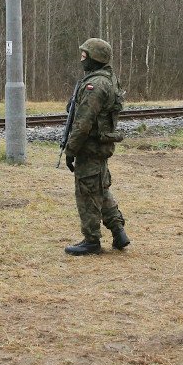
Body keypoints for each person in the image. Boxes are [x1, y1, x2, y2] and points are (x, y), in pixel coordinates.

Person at [63, 38, 130, 256]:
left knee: (87, 192)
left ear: (95, 58)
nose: (82, 58)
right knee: (101, 189)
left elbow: (83, 123)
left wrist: (71, 150)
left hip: (90, 147)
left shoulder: (95, 85)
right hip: (100, 146)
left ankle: (91, 240)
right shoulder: (106, 79)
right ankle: (119, 232)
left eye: (85, 55)